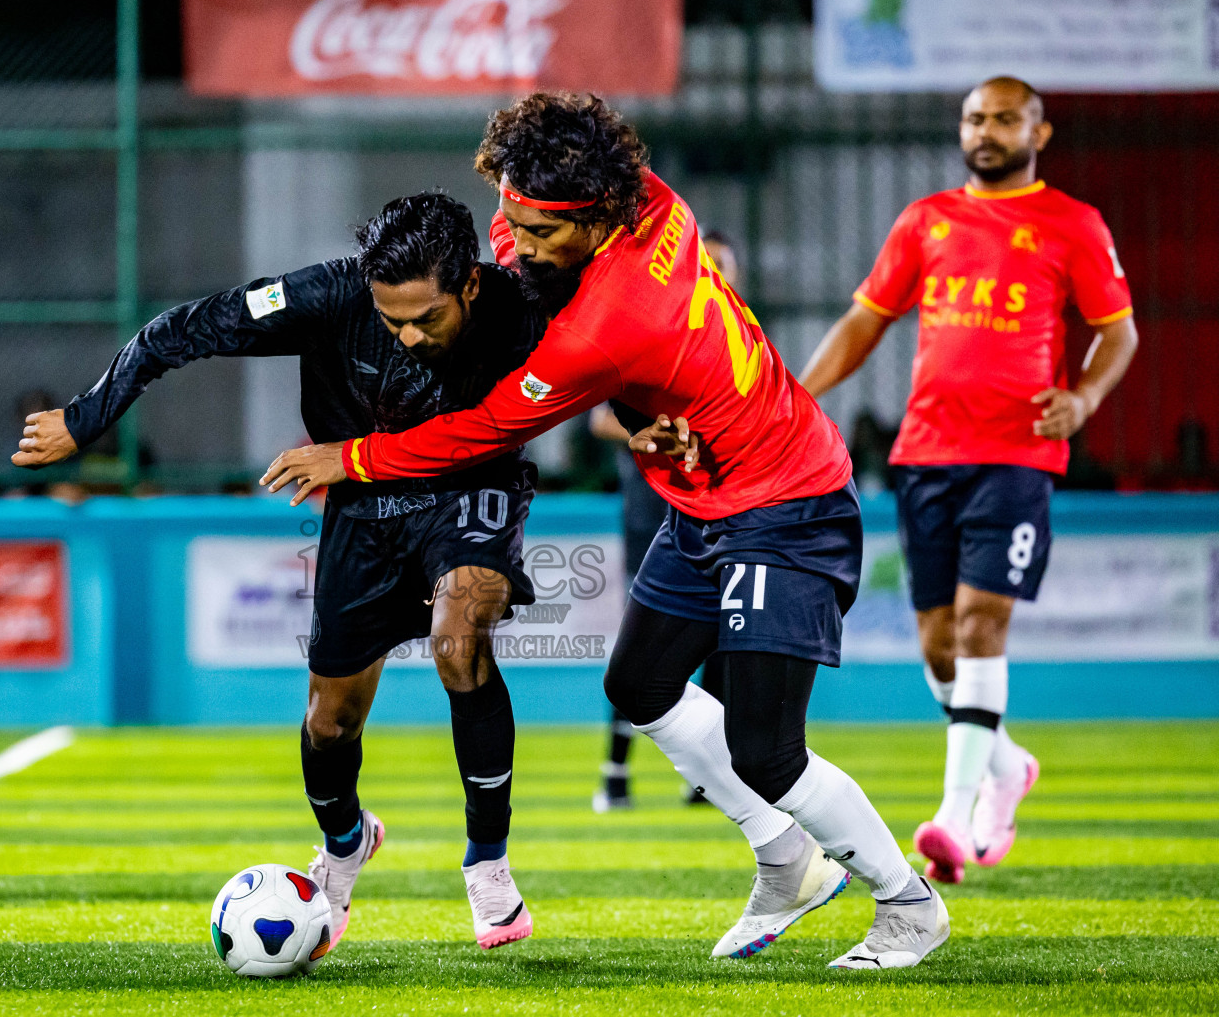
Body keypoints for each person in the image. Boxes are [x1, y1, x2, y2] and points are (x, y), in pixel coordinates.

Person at [263, 92, 948, 969]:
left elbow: (486, 429)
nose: (511, 240)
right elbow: (581, 240)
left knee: (767, 748)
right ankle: (786, 862)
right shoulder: (649, 202)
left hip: (785, 503)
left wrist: (348, 459)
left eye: (537, 229)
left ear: (593, 220)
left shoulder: (609, 321)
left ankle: (907, 903)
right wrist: (644, 416)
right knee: (641, 687)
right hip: (703, 497)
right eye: (504, 212)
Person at [13, 193, 558, 950]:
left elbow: (618, 358)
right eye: (389, 316)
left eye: (424, 319)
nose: (404, 334)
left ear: (469, 283)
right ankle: (344, 844)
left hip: (471, 490)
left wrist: (655, 427)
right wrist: (86, 416)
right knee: (330, 720)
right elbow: (182, 330)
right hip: (363, 511)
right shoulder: (327, 294)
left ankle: (488, 862)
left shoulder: (523, 307)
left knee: (459, 640)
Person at [799, 76, 1138, 884]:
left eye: (1004, 119)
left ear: (1038, 133)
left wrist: (1084, 396)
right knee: (939, 645)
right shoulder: (927, 220)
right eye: (975, 118)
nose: (986, 131)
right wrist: (795, 394)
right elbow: (866, 320)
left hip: (1017, 455)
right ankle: (1005, 764)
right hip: (926, 454)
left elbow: (1117, 332)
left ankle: (953, 818)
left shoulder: (1073, 223)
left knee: (983, 625)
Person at [588, 230, 740, 813]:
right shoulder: (655, 331)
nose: (719, 273)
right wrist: (646, 434)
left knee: (725, 638)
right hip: (652, 508)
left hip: (722, 509)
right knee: (645, 639)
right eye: (712, 263)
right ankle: (615, 773)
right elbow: (600, 418)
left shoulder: (742, 339)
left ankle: (709, 778)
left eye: (727, 266)